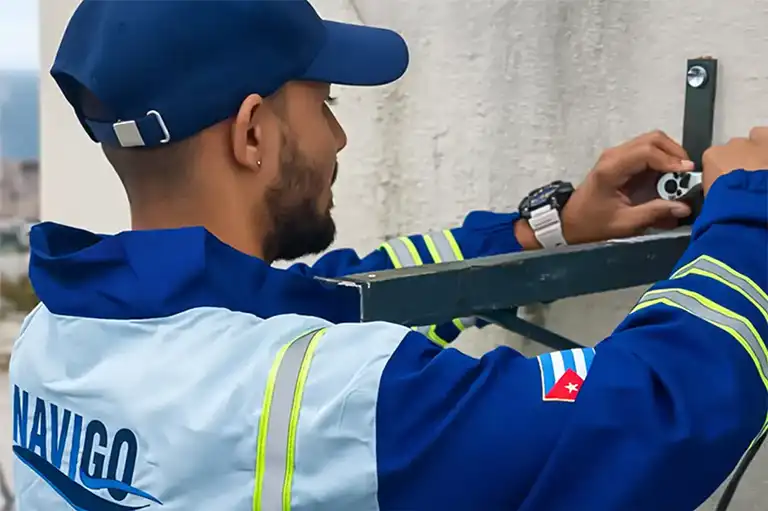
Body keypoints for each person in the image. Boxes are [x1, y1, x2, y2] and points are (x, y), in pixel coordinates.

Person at [9, 1, 767, 510]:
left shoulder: (55, 336)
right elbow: (655, 411)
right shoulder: (319, 400)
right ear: (252, 133)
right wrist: (746, 208)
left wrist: (546, 228)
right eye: (325, 103)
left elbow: (335, 293)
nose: (338, 138)